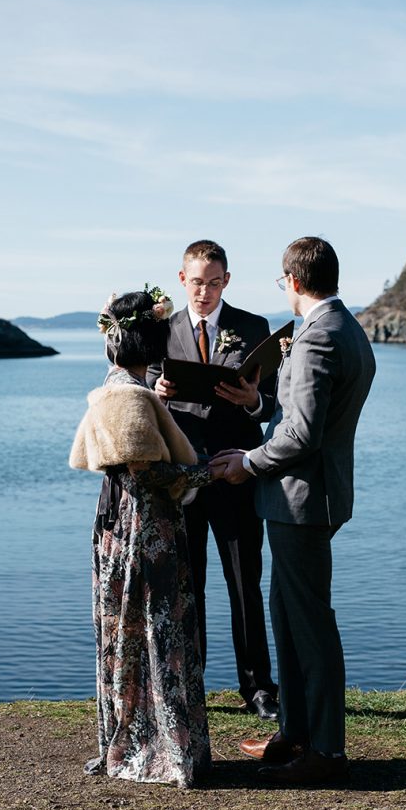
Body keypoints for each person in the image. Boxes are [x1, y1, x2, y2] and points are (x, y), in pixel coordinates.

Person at [211, 238, 376, 785]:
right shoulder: (345, 328)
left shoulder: (316, 339)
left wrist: (247, 463)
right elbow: (300, 415)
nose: (284, 290)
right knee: (287, 615)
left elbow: (302, 434)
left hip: (303, 500)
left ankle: (325, 751)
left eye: (283, 282)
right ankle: (294, 732)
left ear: (295, 281)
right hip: (306, 497)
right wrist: (255, 405)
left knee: (310, 626)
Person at [70, 287, 223, 788]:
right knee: (156, 628)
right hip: (143, 529)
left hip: (122, 523)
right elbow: (144, 475)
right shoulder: (128, 396)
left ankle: (134, 737)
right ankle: (160, 749)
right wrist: (206, 473)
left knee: (128, 630)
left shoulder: (118, 386)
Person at [147, 240, 279, 721]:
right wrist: (154, 390)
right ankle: (191, 683)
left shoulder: (253, 328)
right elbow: (146, 395)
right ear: (182, 280)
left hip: (237, 473)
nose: (205, 291)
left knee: (245, 583)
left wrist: (251, 402)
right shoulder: (161, 331)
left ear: (227, 282)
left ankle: (259, 689)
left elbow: (272, 404)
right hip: (182, 475)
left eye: (214, 282)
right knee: (190, 585)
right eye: (197, 282)